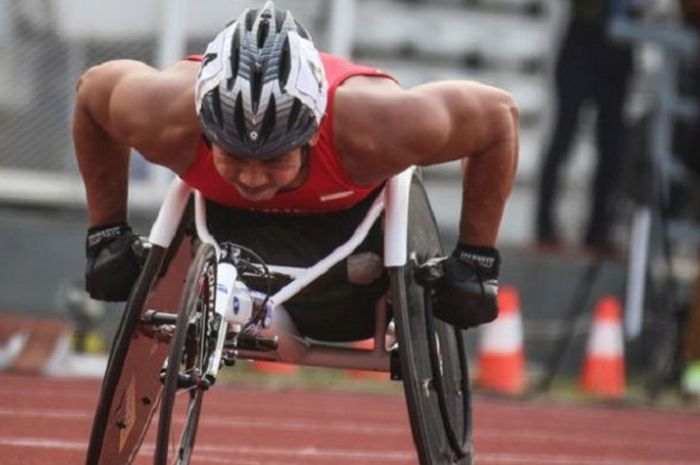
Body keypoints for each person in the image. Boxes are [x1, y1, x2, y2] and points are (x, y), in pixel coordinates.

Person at [73, 1, 519, 337]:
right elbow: (92, 93)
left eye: (272, 159)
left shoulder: (378, 128)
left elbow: (498, 117)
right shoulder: (162, 116)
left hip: (352, 261)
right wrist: (106, 233)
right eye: (233, 155)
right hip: (221, 229)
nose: (251, 177)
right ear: (206, 133)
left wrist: (476, 259)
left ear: (311, 133)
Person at [535, 0, 635, 254]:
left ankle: (598, 232)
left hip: (619, 47)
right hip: (583, 41)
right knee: (564, 137)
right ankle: (545, 227)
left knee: (612, 145)